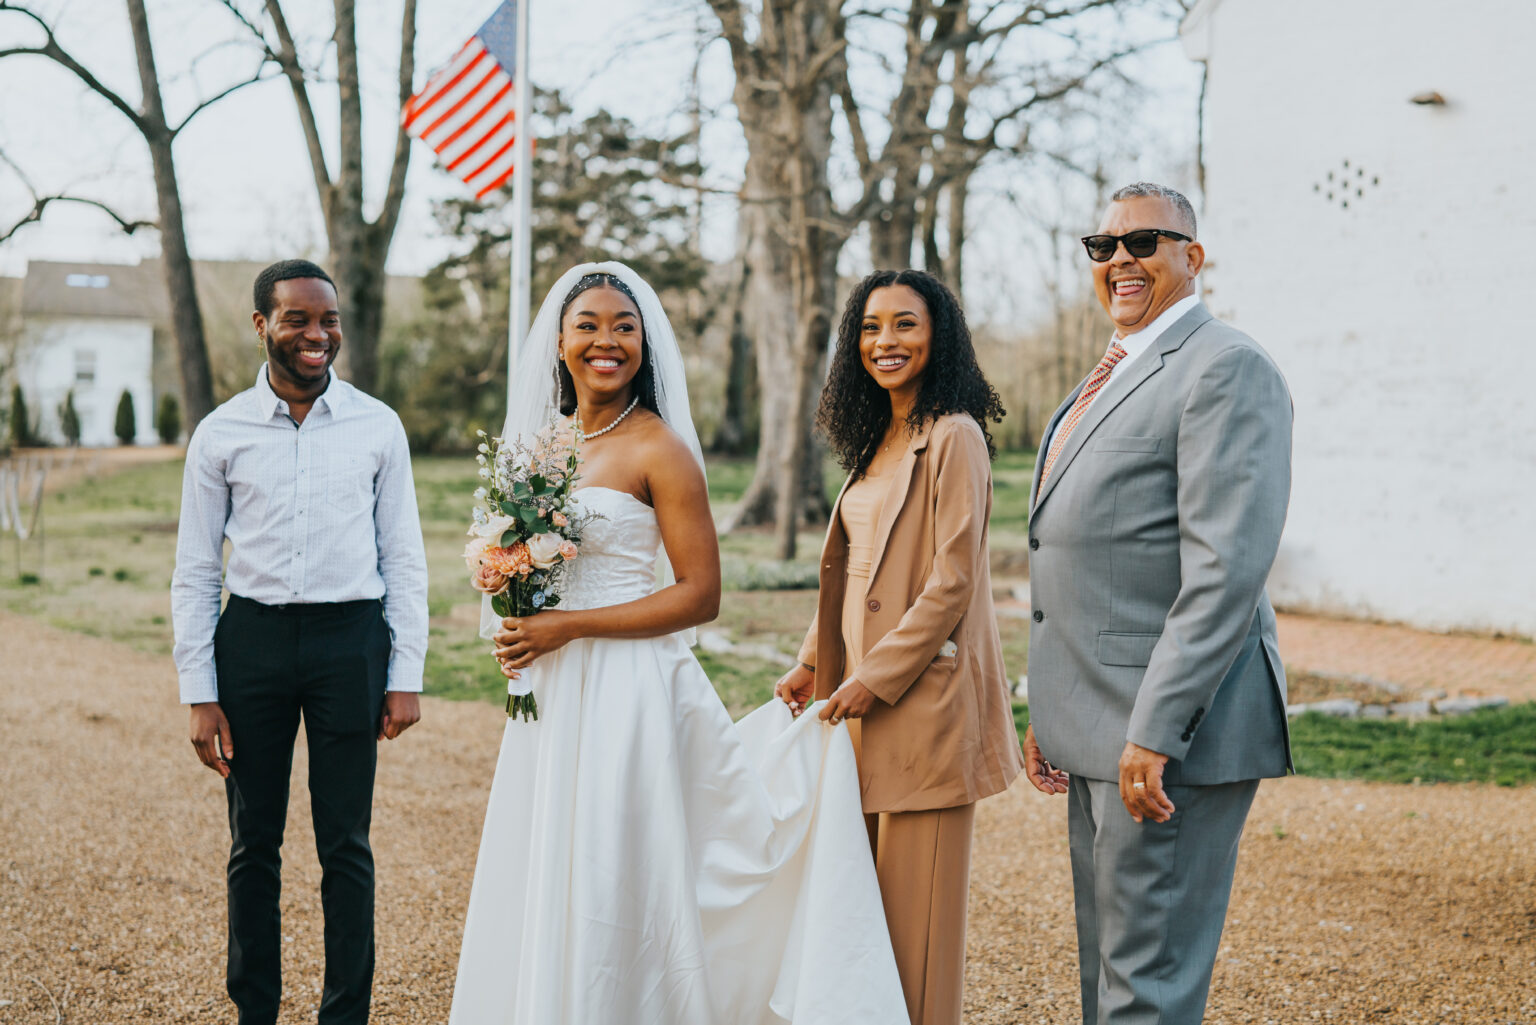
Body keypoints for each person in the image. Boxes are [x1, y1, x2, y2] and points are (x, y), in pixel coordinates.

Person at [449, 262, 909, 1025]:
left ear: (646, 344)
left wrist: (567, 625)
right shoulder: (542, 446)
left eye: (624, 327)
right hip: (556, 689)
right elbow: (537, 564)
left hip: (633, 691)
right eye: (589, 324)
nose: (607, 340)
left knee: (617, 869)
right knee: (550, 858)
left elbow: (700, 594)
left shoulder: (659, 448)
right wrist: (519, 604)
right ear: (559, 340)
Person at [1022, 182, 1293, 1024]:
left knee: (1150, 983)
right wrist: (1052, 706)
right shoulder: (1107, 376)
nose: (1120, 261)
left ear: (1192, 256)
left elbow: (1224, 569)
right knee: (1108, 963)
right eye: (1102, 246)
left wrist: (1154, 728)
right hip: (1095, 719)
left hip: (1167, 733)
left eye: (1144, 242)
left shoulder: (1227, 367)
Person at [170, 259, 428, 1025]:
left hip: (351, 641)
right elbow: (193, 570)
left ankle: (344, 1014)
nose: (318, 335)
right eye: (298, 320)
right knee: (254, 843)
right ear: (263, 326)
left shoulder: (377, 426)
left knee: (345, 842)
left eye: (329, 321)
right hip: (252, 642)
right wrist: (200, 691)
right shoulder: (221, 434)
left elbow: (404, 557)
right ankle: (255, 1010)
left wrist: (405, 671)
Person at [774, 268, 1025, 1025]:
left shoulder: (956, 436)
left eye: (905, 324)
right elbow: (857, 571)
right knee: (866, 929)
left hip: (923, 712)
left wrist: (873, 678)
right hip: (858, 711)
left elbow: (951, 584)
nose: (885, 341)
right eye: (872, 326)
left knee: (917, 943)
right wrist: (815, 658)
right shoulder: (875, 439)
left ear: (937, 334)